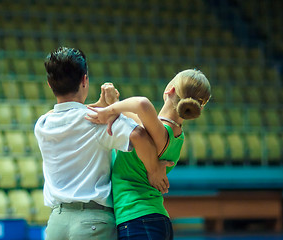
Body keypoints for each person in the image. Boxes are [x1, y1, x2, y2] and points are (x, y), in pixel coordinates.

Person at [34, 47, 172, 240]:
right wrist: (154, 169)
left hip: (56, 223)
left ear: (49, 84)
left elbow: (66, 112)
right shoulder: (97, 122)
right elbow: (139, 134)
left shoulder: (42, 125)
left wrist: (100, 106)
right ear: (85, 80)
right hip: (93, 223)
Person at [86, 69, 211, 240]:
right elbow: (135, 118)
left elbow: (142, 105)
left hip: (138, 219)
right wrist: (113, 104)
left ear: (170, 89)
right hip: (152, 220)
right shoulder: (175, 134)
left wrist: (109, 110)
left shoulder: (160, 132)